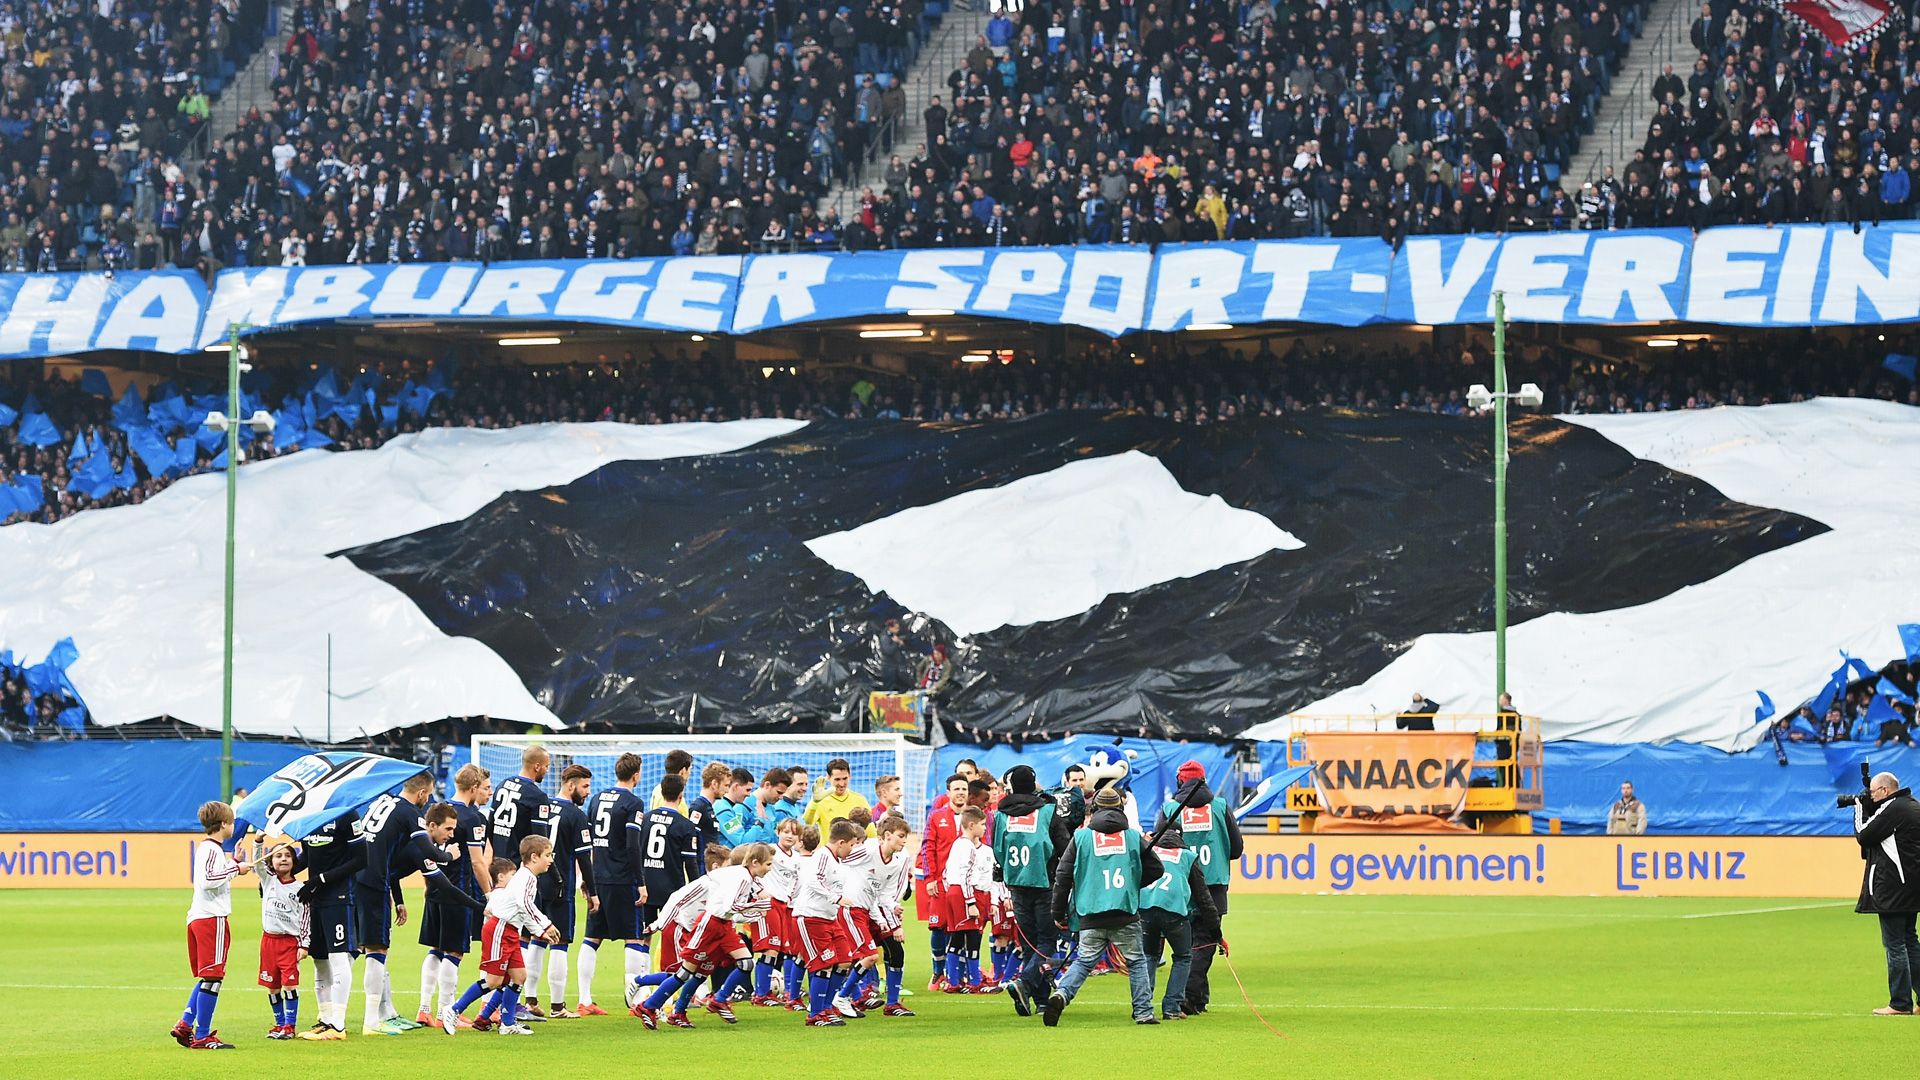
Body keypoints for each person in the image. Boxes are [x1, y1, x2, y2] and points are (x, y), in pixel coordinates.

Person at [1044, 786, 1163, 1027]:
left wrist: (1058, 912)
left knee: (1084, 961)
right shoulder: (1132, 837)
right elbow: (1156, 868)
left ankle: (1062, 994)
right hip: (1124, 913)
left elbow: (1063, 875)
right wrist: (1132, 883)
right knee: (1136, 961)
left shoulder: (1081, 837)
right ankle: (1143, 1012)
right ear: (1121, 809)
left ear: (1094, 809)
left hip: (1091, 914)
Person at [626, 843, 776, 1029]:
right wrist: (659, 924)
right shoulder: (730, 879)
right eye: (768, 864)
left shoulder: (743, 877)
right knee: (684, 972)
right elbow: (728, 906)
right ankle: (649, 1004)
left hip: (723, 926)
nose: (770, 869)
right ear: (754, 862)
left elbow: (732, 910)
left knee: (744, 963)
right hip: (705, 926)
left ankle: (716, 1000)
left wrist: (755, 912)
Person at [354, 773, 457, 1036]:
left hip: (356, 876)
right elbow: (428, 850)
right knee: (375, 950)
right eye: (428, 794)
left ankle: (383, 1013)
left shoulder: (381, 802)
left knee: (364, 948)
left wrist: (398, 898)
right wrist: (449, 855)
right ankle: (371, 1021)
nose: (428, 799)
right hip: (374, 882)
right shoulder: (409, 812)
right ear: (422, 793)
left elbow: (384, 851)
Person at [443, 839, 562, 1036]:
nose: (551, 860)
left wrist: (540, 931)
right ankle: (454, 1009)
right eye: (548, 855)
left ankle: (507, 1023)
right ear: (534, 857)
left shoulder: (528, 877)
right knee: (494, 981)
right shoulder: (526, 877)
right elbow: (524, 904)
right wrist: (546, 924)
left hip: (510, 930)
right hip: (499, 928)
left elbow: (523, 912)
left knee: (519, 977)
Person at [1159, 759, 1241, 1015]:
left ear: (1180, 781)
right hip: (1213, 885)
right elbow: (1237, 849)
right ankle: (1188, 999)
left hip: (1179, 883)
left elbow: (1159, 846)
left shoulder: (1170, 808)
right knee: (1204, 944)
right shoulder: (1220, 806)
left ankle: (1197, 997)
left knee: (1187, 943)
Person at [417, 764, 494, 1029]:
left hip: (434, 889)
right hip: (459, 891)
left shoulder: (439, 809)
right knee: (455, 951)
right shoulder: (472, 818)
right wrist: (488, 893)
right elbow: (477, 862)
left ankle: (424, 1008)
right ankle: (445, 1012)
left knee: (435, 949)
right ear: (473, 788)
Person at [172, 800, 250, 1050]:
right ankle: (203, 1035)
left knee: (208, 975)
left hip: (201, 916)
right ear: (225, 824)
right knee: (214, 976)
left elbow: (213, 875)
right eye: (232, 821)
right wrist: (237, 868)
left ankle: (186, 1023)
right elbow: (208, 880)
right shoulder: (211, 849)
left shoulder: (212, 849)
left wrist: (233, 861)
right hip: (211, 918)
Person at [994, 764, 1071, 1017]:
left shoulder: (1002, 814)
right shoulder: (1048, 812)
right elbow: (1065, 848)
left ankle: (1037, 1000)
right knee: (1047, 942)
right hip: (1044, 883)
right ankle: (1025, 984)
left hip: (1015, 884)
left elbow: (997, 849)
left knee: (1029, 943)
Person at [526, 764, 597, 1019]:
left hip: (534, 881)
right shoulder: (576, 816)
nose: (588, 792)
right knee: (560, 942)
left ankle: (530, 999)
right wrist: (592, 890)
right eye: (585, 786)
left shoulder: (543, 807)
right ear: (571, 785)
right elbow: (584, 858)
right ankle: (557, 1006)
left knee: (535, 938)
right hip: (560, 884)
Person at [581, 752, 650, 1015]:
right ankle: (636, 1001)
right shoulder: (634, 802)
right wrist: (640, 882)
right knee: (633, 936)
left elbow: (587, 841)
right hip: (622, 878)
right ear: (636, 775)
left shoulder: (597, 798)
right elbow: (632, 845)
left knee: (592, 938)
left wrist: (587, 878)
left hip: (598, 875)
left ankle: (585, 999)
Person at [292, 810, 364, 1040]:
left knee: (338, 955)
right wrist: (282, 871)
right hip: (315, 898)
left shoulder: (347, 814)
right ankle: (325, 1019)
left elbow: (362, 858)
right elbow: (308, 855)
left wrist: (321, 879)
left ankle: (338, 1026)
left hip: (339, 897)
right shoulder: (309, 813)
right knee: (319, 959)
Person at [1854, 772, 1920, 1015]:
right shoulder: (1913, 806)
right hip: (1912, 886)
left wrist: (1860, 807)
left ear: (1884, 791)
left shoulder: (1892, 809)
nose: (1870, 796)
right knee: (1910, 941)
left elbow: (1864, 834)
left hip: (1893, 887)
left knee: (1895, 944)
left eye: (1872, 793)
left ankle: (1900, 1003)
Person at [792, 819, 868, 1027]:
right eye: (851, 844)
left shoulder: (838, 862)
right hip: (810, 917)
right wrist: (835, 898)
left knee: (845, 960)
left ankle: (826, 1007)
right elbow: (812, 881)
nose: (852, 849)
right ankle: (815, 1013)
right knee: (823, 964)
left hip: (829, 918)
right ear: (841, 842)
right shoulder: (823, 856)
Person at [1138, 829, 1216, 1022]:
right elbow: (1203, 897)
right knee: (1183, 957)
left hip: (1145, 909)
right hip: (1173, 912)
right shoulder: (1187, 856)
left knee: (1149, 956)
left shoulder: (1149, 851)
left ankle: (1142, 1007)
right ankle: (1172, 1007)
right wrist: (1216, 931)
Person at [638, 771, 703, 976]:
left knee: (643, 938)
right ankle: (667, 990)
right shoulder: (685, 825)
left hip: (645, 888)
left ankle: (640, 987)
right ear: (681, 795)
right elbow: (690, 865)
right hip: (672, 892)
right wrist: (699, 892)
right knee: (672, 939)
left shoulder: (644, 820)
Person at [862, 813, 917, 1016]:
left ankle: (892, 1003)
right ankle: (847, 997)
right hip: (857, 910)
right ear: (886, 835)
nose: (904, 841)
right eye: (901, 835)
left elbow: (884, 893)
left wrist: (893, 908)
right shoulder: (866, 851)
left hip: (879, 910)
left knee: (896, 952)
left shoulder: (897, 860)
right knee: (858, 956)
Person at [918, 773, 969, 989]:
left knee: (962, 929)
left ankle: (957, 974)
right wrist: (930, 878)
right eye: (956, 789)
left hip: (964, 884)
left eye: (964, 789)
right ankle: (938, 972)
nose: (960, 793)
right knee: (938, 927)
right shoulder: (936, 816)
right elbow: (928, 847)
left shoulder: (974, 816)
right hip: (940, 882)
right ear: (948, 793)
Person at [258, 842, 310, 1039]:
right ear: (271, 861)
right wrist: (258, 841)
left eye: (287, 855)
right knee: (272, 986)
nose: (283, 859)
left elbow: (306, 918)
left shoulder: (300, 888)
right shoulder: (268, 881)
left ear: (294, 860)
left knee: (289, 985)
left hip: (289, 943)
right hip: (268, 942)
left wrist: (304, 945)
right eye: (278, 856)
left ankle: (290, 1026)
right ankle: (279, 1024)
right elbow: (257, 866)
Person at [491, 746, 556, 868]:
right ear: (537, 767)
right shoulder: (537, 796)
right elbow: (541, 842)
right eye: (546, 766)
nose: (547, 770)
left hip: (496, 865)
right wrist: (556, 878)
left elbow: (491, 825)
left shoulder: (502, 785)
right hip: (518, 867)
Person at [803, 757, 872, 832]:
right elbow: (807, 823)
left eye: (845, 778)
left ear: (850, 776)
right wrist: (814, 802)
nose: (842, 784)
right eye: (837, 779)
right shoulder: (821, 800)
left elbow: (870, 829)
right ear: (829, 777)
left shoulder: (860, 799)